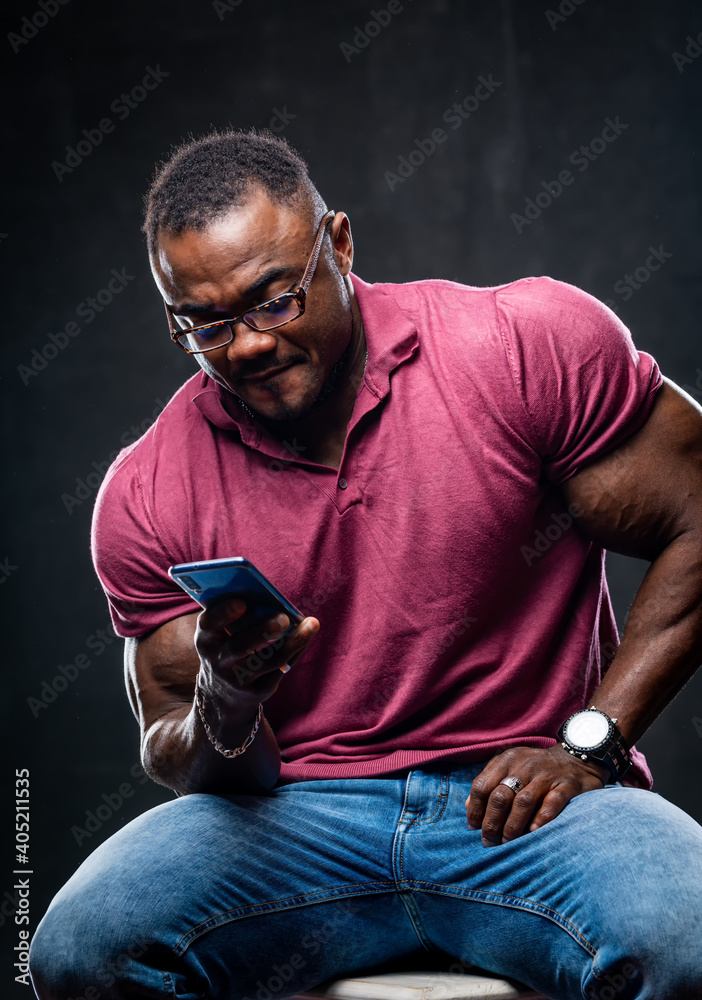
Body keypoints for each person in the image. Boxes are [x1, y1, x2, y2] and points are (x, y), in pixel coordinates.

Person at [29, 129, 702, 1000]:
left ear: (339, 245)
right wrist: (228, 695)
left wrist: (593, 742)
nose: (246, 347)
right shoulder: (148, 486)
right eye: (206, 324)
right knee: (78, 949)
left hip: (527, 808)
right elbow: (176, 747)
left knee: (690, 936)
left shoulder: (522, 344)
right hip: (291, 825)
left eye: (274, 300)